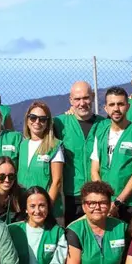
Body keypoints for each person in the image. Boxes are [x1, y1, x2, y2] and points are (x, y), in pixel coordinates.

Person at [91, 87, 132, 224]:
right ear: (106, 108)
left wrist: (117, 202)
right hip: (106, 204)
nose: (116, 109)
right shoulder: (100, 133)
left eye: (120, 104)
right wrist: (105, 199)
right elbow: (94, 170)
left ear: (128, 107)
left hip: (130, 205)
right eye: (112, 104)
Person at [54, 81, 106, 225]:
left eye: (86, 98)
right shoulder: (59, 123)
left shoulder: (105, 125)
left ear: (93, 96)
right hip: (72, 196)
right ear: (71, 100)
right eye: (77, 99)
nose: (82, 103)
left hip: (99, 194)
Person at [18, 101, 64, 223]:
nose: (37, 122)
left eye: (42, 119)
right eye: (33, 117)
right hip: (26, 209)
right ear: (27, 120)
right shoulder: (22, 145)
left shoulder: (54, 146)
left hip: (47, 211)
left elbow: (57, 182)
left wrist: (46, 207)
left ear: (48, 123)